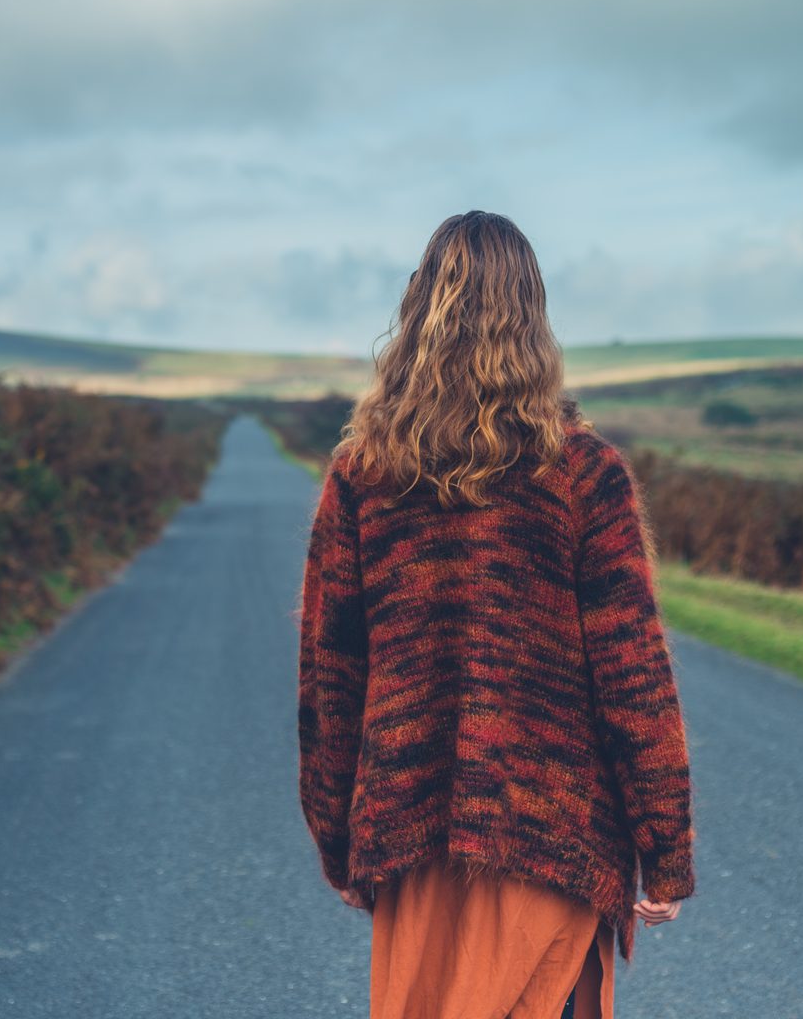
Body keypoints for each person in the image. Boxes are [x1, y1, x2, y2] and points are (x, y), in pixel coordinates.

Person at [297, 211, 696, 1019]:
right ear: (534, 323)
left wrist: (339, 840)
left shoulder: (362, 476)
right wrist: (666, 848)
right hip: (556, 841)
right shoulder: (586, 475)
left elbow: (329, 683)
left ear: (415, 318)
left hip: (411, 840)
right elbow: (633, 677)